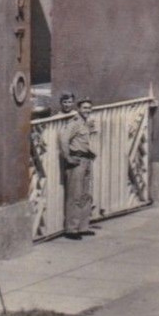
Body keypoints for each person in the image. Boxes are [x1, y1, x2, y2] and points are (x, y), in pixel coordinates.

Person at [61, 98, 98, 237]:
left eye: (89, 108)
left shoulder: (86, 123)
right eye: (84, 108)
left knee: (86, 195)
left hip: (86, 160)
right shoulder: (74, 123)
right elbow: (64, 139)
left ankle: (83, 227)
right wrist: (68, 157)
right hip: (76, 162)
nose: (87, 110)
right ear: (79, 109)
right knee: (75, 195)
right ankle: (72, 229)